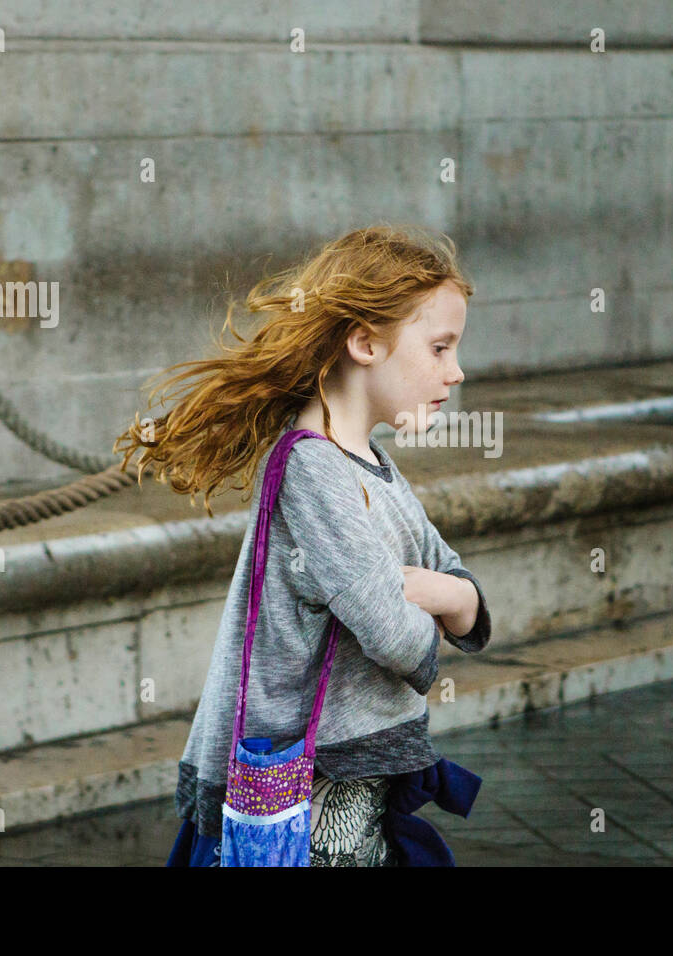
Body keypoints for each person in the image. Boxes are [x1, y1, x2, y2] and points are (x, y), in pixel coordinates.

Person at [117, 225, 493, 866]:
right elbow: (396, 639)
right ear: (365, 342)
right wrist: (428, 601)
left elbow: (459, 589)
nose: (455, 371)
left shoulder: (374, 464)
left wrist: (436, 589)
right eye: (438, 348)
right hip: (312, 793)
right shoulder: (312, 470)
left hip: (354, 781)